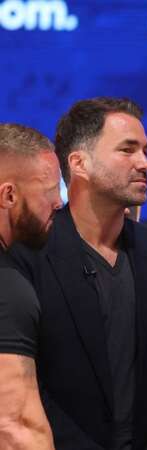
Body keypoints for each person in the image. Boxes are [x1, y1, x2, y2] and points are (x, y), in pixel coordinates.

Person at [9, 98, 147, 449]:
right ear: (79, 163)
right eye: (127, 150)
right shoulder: (26, 255)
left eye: (145, 150)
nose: (145, 163)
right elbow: (25, 383)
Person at [0, 123, 62, 449]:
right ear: (9, 195)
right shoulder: (8, 290)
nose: (59, 202)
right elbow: (14, 427)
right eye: (49, 189)